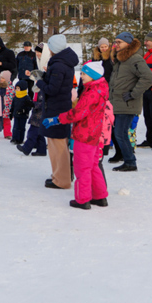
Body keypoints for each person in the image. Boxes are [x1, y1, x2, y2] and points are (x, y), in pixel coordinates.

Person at [44, 62, 111, 210]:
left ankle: (82, 199)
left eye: (84, 74)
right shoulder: (100, 88)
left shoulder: (91, 92)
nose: (81, 77)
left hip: (84, 134)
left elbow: (78, 113)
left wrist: (57, 119)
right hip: (94, 133)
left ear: (93, 76)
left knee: (82, 168)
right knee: (93, 166)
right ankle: (100, 196)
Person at [36, 34, 78, 189]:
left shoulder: (59, 65)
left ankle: (61, 180)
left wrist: (39, 81)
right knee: (57, 145)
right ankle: (60, 176)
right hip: (59, 106)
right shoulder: (62, 62)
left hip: (57, 108)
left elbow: (53, 89)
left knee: (57, 146)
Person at [107, 31, 152, 172]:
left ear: (127, 43)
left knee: (121, 133)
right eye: (115, 42)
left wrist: (133, 94)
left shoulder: (135, 59)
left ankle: (130, 162)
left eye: (119, 42)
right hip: (117, 102)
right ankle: (122, 156)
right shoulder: (121, 59)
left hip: (127, 103)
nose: (116, 45)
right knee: (117, 132)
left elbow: (148, 77)